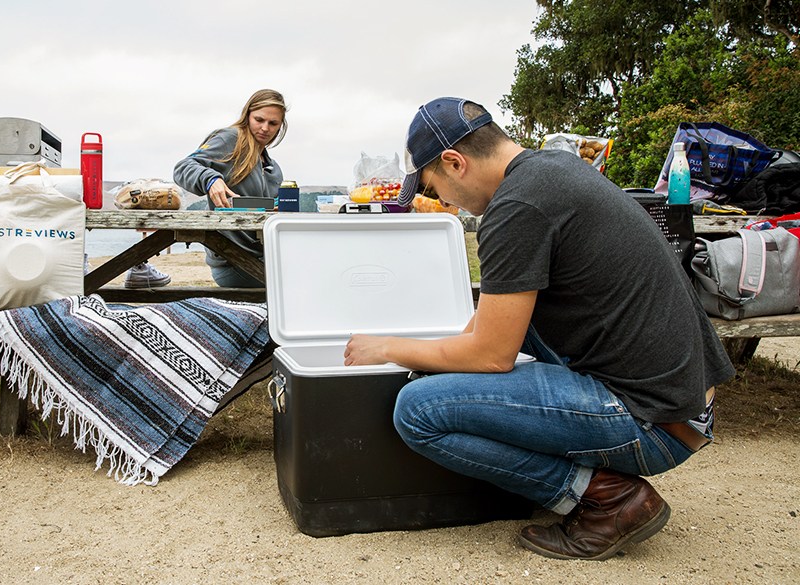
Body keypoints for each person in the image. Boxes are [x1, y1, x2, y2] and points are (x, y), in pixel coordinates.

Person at [343, 97, 735, 561]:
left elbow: (492, 355)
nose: (442, 201)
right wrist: (436, 358)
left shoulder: (517, 207)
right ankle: (601, 485)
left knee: (417, 412)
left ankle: (605, 498)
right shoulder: (552, 171)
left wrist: (390, 347)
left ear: (455, 162)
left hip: (655, 421)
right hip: (685, 402)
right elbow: (490, 327)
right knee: (463, 361)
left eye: (435, 187)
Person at [173, 89, 287, 287]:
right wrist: (210, 179)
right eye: (259, 119)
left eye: (273, 123)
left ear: (280, 127)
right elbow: (182, 168)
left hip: (266, 257)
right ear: (247, 115)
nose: (265, 128)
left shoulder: (273, 169)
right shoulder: (231, 139)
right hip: (234, 262)